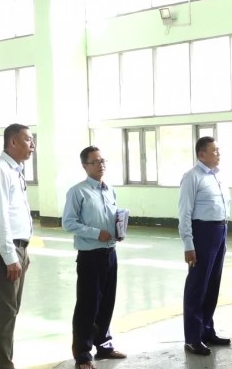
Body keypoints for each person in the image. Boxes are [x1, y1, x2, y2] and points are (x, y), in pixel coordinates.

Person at [63, 146, 127, 369]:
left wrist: (118, 231)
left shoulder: (110, 190)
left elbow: (112, 217)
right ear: (85, 166)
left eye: (103, 161)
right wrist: (96, 233)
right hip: (90, 256)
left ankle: (105, 345)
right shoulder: (77, 192)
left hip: (110, 253)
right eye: (95, 162)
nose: (101, 165)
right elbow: (68, 223)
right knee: (88, 305)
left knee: (107, 302)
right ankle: (83, 354)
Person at [0, 123, 35, 369]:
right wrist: (11, 256)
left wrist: (23, 253)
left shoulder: (15, 170)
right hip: (6, 250)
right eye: (28, 140)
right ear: (13, 142)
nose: (32, 145)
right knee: (5, 311)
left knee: (11, 310)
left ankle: (4, 362)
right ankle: (3, 365)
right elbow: (0, 216)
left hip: (17, 248)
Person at [178, 136, 232, 356]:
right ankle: (192, 338)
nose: (219, 154)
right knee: (197, 286)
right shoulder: (192, 177)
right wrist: (188, 244)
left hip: (220, 231)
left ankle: (206, 331)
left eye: (218, 150)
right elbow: (184, 213)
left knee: (212, 285)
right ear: (201, 154)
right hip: (202, 233)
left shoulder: (218, 176)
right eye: (215, 151)